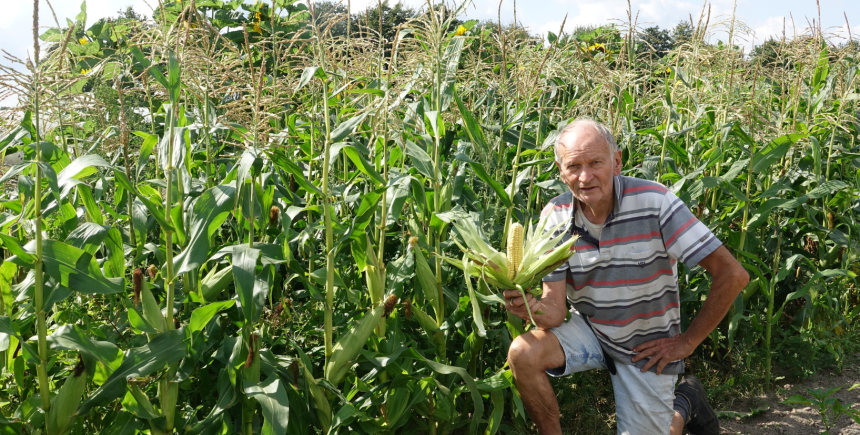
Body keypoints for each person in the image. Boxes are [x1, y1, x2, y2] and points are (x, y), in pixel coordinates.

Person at [504, 118, 749, 435]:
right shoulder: (556, 215)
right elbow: (554, 309)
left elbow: (733, 274)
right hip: (591, 329)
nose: (585, 176)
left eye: (595, 163)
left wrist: (687, 342)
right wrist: (530, 307)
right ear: (560, 170)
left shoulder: (655, 203)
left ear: (616, 161)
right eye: (573, 166)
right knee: (522, 353)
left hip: (646, 346)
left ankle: (686, 401)